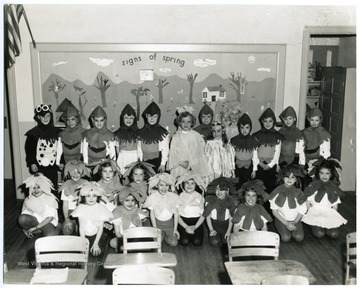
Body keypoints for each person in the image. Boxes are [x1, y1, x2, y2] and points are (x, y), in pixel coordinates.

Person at [301, 159, 346, 239]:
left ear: (331, 174)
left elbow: (335, 206)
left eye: (327, 173)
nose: (324, 176)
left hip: (327, 212)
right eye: (322, 173)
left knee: (334, 234)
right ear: (318, 173)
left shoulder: (333, 187)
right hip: (315, 212)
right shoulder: (313, 186)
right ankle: (314, 225)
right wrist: (310, 212)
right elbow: (308, 202)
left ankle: (327, 226)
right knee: (319, 234)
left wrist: (331, 216)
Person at [167, 105, 210, 183]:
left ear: (192, 123)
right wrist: (181, 162)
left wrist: (193, 163)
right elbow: (173, 153)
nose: (186, 124)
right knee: (180, 184)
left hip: (195, 165)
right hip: (180, 166)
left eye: (188, 122)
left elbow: (201, 151)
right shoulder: (176, 137)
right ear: (179, 122)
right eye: (183, 121)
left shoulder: (197, 136)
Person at [25, 104, 61, 191]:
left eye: (47, 116)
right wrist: (32, 162)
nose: (45, 118)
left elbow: (60, 148)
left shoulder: (57, 132)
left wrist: (61, 161)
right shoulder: (33, 133)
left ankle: (52, 203)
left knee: (52, 185)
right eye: (42, 116)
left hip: (52, 165)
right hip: (39, 165)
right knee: (41, 185)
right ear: (38, 117)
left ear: (50, 116)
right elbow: (30, 150)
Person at [71, 182, 113, 256]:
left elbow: (100, 228)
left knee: (96, 253)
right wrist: (83, 243)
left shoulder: (100, 208)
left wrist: (96, 244)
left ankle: (97, 243)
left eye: (94, 196)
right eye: (88, 196)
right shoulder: (81, 208)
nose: (91, 198)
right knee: (79, 251)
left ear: (98, 197)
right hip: (85, 235)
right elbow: (82, 228)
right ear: (84, 197)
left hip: (97, 235)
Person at [192, 177, 237, 247]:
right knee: (214, 242)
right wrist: (211, 229)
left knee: (226, 241)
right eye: (217, 190)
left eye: (222, 190)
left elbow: (231, 217)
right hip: (214, 224)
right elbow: (207, 216)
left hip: (226, 224)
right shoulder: (210, 200)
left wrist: (228, 231)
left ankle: (224, 238)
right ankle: (215, 236)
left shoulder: (230, 201)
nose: (219, 192)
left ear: (227, 191)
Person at [269, 164, 307, 242]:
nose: (289, 179)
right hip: (282, 220)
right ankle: (280, 226)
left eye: (292, 177)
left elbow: (302, 210)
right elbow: (275, 211)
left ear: (296, 179)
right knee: (286, 238)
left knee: (299, 237)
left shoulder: (299, 192)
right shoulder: (277, 192)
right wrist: (286, 223)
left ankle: (295, 226)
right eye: (287, 176)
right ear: (283, 177)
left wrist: (295, 222)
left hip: (295, 220)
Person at [143, 173, 182, 246]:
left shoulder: (173, 197)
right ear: (156, 185)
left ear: (169, 186)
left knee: (174, 243)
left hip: (169, 224)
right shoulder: (153, 197)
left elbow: (176, 213)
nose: (164, 188)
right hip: (158, 224)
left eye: (166, 185)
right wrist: (155, 228)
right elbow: (152, 214)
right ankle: (161, 235)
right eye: (161, 185)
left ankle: (166, 236)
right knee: (157, 242)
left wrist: (175, 229)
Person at [18, 173, 60, 238]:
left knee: (49, 236)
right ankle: (40, 230)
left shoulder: (50, 198)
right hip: (36, 221)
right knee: (22, 218)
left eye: (38, 187)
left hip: (47, 222)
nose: (36, 190)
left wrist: (35, 228)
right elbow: (25, 213)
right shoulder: (28, 199)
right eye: (33, 188)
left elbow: (49, 218)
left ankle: (58, 227)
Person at [253, 107, 283, 194]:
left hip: (271, 165)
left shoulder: (277, 136)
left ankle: (269, 206)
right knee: (259, 187)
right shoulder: (257, 136)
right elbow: (255, 152)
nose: (267, 123)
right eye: (265, 121)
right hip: (260, 164)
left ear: (273, 121)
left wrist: (272, 164)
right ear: (262, 121)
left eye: (270, 121)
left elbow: (277, 152)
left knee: (270, 186)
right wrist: (259, 163)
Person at [109, 186, 148, 252]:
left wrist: (137, 238)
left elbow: (140, 228)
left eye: (132, 200)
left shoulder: (137, 211)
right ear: (121, 201)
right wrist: (125, 240)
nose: (130, 203)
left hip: (135, 237)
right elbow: (117, 233)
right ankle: (126, 248)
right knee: (112, 242)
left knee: (147, 242)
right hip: (122, 237)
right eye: (127, 200)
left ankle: (130, 248)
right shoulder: (117, 212)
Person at [175, 172, 206, 246]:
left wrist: (195, 227)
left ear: (196, 185)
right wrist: (186, 227)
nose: (189, 185)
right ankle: (186, 233)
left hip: (196, 222)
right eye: (187, 183)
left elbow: (203, 215)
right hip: (183, 221)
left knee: (197, 242)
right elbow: (177, 216)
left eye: (192, 183)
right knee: (185, 242)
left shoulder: (199, 197)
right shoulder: (180, 197)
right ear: (183, 184)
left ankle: (194, 233)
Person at [59, 160, 90, 235]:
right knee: (66, 229)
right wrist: (66, 219)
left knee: (86, 230)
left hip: (84, 211)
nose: (75, 175)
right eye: (73, 172)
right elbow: (65, 205)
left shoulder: (86, 183)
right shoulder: (66, 185)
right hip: (71, 212)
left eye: (78, 172)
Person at [302, 108, 331, 187]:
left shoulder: (324, 134)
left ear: (320, 120)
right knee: (307, 183)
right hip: (306, 160)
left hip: (319, 161)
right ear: (308, 119)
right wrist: (303, 162)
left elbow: (326, 152)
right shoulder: (304, 133)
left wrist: (321, 162)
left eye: (316, 120)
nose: (314, 123)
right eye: (312, 120)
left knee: (318, 182)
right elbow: (302, 149)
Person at [137, 102, 169, 172]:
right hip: (145, 161)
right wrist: (140, 161)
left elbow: (165, 149)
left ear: (158, 117)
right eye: (149, 116)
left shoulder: (162, 132)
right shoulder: (141, 132)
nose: (152, 119)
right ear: (146, 116)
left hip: (158, 161)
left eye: (154, 116)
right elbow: (139, 148)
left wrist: (163, 164)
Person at [230, 113, 260, 190]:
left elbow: (255, 156)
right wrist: (232, 169)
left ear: (250, 128)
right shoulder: (234, 140)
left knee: (246, 185)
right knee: (237, 185)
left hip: (248, 167)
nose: (244, 130)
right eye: (242, 127)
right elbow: (232, 156)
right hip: (237, 167)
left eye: (247, 127)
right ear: (239, 128)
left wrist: (254, 170)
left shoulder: (253, 141)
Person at [204, 115, 235, 183]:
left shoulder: (227, 144)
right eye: (214, 131)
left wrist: (231, 170)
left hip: (223, 170)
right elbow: (206, 158)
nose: (216, 133)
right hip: (212, 170)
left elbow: (230, 160)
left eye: (218, 131)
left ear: (223, 131)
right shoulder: (208, 144)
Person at [56, 102, 86, 168]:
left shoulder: (84, 133)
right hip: (67, 164)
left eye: (73, 119)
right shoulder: (62, 134)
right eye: (68, 120)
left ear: (77, 119)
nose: (70, 122)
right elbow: (59, 150)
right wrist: (59, 163)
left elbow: (86, 151)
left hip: (81, 164)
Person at [114, 104, 142, 175]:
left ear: (134, 119)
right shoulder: (118, 133)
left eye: (131, 118)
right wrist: (117, 161)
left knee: (134, 175)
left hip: (134, 157)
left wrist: (140, 160)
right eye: (126, 117)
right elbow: (117, 149)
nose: (128, 120)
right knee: (123, 176)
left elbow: (139, 147)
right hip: (122, 158)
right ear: (122, 118)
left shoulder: (138, 133)